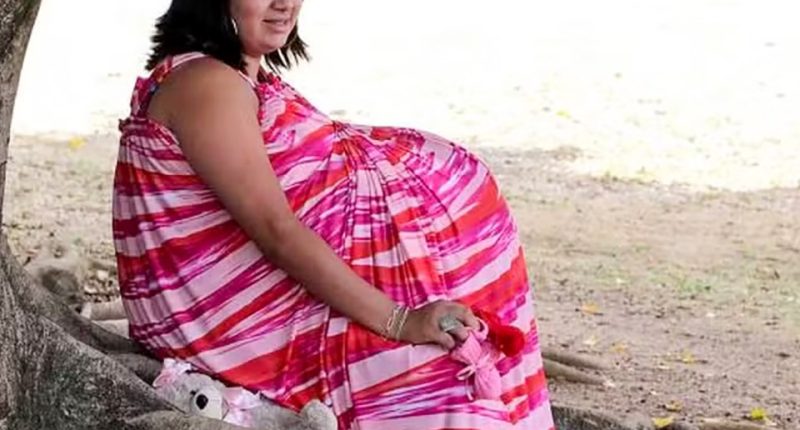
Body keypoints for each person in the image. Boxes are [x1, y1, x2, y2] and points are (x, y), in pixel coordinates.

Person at [112, 0, 554, 428]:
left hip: (287, 317)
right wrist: (400, 320)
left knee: (461, 366)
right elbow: (276, 230)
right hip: (249, 341)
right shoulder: (207, 84)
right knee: (446, 388)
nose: (286, 3)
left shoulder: (236, 76)